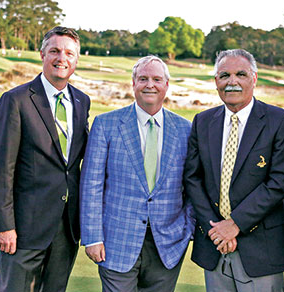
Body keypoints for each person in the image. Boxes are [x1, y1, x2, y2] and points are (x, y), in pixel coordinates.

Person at [0, 26, 91, 291]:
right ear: (42, 54)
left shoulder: (81, 101)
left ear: (77, 60)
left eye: (69, 53)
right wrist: (4, 225)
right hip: (23, 228)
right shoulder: (15, 100)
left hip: (66, 229)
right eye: (54, 50)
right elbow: (0, 169)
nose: (61, 58)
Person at [184, 49, 284, 292]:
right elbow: (193, 179)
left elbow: (279, 181)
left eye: (240, 74)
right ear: (216, 81)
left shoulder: (279, 121)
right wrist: (217, 229)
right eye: (224, 75)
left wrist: (234, 224)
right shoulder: (202, 121)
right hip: (214, 244)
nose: (231, 81)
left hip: (262, 248)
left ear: (254, 78)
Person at [80, 55, 194, 292]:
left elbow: (193, 184)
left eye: (156, 79)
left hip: (169, 245)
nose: (149, 85)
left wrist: (188, 227)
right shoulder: (106, 125)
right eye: (143, 78)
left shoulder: (185, 129)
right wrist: (92, 236)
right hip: (116, 241)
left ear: (166, 85)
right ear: (133, 84)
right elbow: (91, 185)